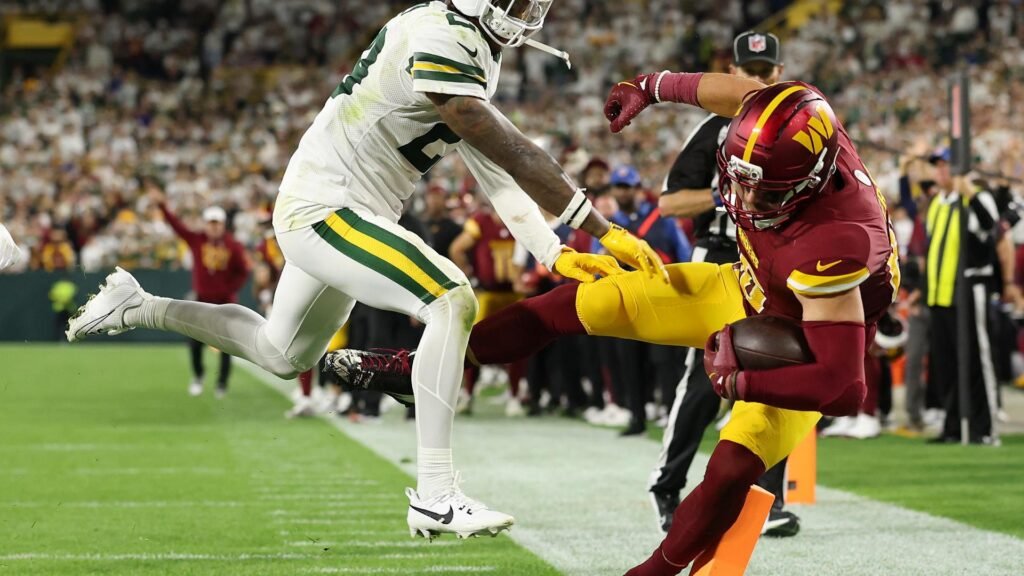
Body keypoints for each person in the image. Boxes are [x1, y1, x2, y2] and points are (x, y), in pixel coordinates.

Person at [67, 0, 662, 540]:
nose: (528, 10)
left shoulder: (471, 43)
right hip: (330, 205)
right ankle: (435, 494)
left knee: (281, 354)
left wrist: (552, 250)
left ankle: (141, 305)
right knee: (451, 297)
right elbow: (510, 148)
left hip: (346, 208)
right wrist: (603, 229)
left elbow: (491, 163)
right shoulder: (441, 35)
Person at [329, 71, 900, 575]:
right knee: (583, 303)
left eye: (764, 189)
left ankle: (653, 572)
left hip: (801, 336)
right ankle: (420, 371)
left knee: (730, 467)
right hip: (744, 283)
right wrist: (652, 86)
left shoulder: (837, 242)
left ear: (810, 180)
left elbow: (843, 388)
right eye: (741, 177)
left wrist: (741, 381)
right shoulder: (786, 118)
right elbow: (738, 92)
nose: (746, 195)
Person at [650, 31, 798, 537]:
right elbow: (669, 203)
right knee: (702, 381)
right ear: (731, 73)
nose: (756, 79)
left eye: (765, 71)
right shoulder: (715, 129)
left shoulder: (798, 130)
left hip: (773, 264)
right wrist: (723, 195)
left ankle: (765, 501)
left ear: (779, 73)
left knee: (776, 378)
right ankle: (668, 485)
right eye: (748, 71)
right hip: (718, 258)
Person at [602, 164, 691, 436]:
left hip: (660, 301)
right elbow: (597, 264)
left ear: (638, 189)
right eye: (619, 187)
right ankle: (636, 418)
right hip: (628, 303)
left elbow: (684, 256)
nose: (623, 192)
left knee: (664, 361)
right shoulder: (606, 226)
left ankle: (670, 414)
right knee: (630, 362)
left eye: (627, 187)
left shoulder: (662, 219)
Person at [923, 149, 1001, 444]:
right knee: (945, 364)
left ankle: (985, 427)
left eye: (947, 167)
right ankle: (953, 425)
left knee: (977, 361)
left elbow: (989, 229)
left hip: (967, 293)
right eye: (938, 167)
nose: (941, 172)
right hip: (939, 295)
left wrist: (968, 192)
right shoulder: (937, 203)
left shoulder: (977, 198)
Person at [151, 189, 251, 398]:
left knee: (226, 346)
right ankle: (198, 376)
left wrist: (229, 289)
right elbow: (177, 227)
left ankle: (222, 383)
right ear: (206, 224)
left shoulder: (233, 245)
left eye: (217, 223)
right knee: (195, 343)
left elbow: (243, 271)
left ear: (223, 224)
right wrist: (162, 206)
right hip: (201, 300)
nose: (214, 227)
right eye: (211, 223)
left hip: (225, 302)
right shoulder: (197, 240)